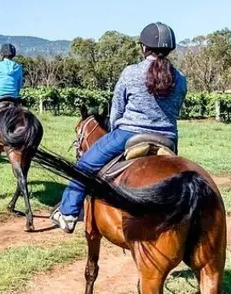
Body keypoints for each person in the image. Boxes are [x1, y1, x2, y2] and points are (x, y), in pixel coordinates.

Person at [50, 22, 188, 233]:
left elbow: (116, 112)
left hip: (129, 133)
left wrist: (115, 128)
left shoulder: (131, 72)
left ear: (144, 47)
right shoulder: (180, 78)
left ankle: (68, 213)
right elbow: (176, 110)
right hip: (168, 139)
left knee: (83, 166)